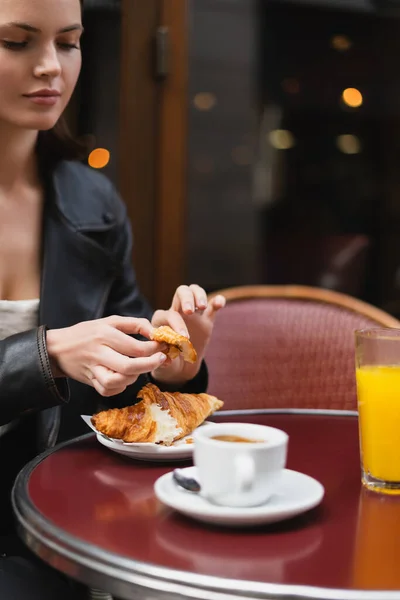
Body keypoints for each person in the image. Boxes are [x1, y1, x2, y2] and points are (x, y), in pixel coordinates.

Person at [0, 0, 225, 597]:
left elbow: (121, 397)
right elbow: (57, 358)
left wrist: (176, 367)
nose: (50, 66)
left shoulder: (91, 201)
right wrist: (44, 354)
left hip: (58, 520)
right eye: (16, 42)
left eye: (68, 43)